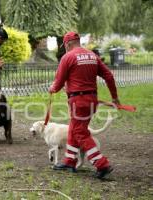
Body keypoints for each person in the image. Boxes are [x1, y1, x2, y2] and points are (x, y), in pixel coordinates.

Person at [49, 31, 120, 179]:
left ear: (68, 43)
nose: (65, 48)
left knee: (80, 132)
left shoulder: (67, 57)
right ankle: (69, 161)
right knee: (74, 129)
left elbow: (59, 82)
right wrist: (115, 98)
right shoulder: (93, 56)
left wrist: (53, 88)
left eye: (65, 45)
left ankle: (102, 164)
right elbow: (109, 75)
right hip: (91, 100)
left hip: (78, 101)